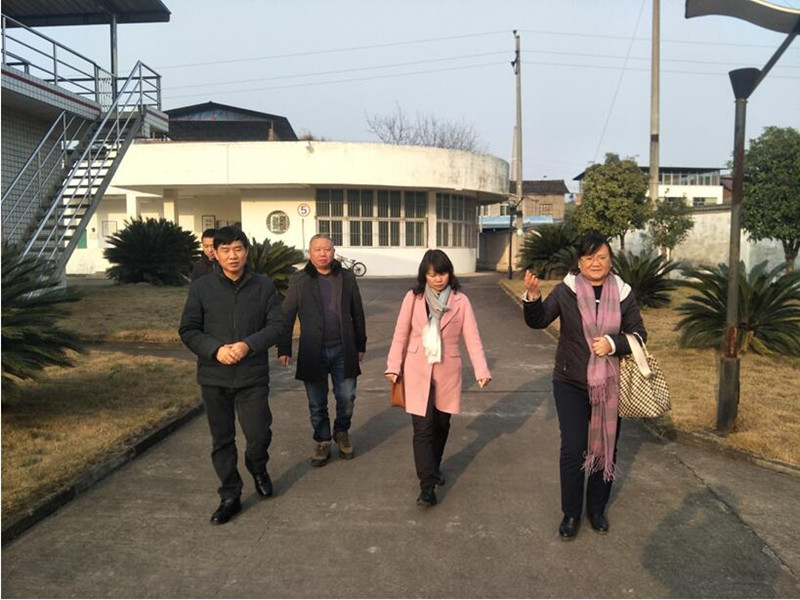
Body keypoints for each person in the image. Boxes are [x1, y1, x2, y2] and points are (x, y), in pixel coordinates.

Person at [522, 231, 647, 540]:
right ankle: (571, 513)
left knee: (606, 445)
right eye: (589, 258)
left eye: (601, 257)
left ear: (610, 260)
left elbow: (639, 334)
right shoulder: (566, 291)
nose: (595, 263)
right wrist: (533, 299)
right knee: (573, 447)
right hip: (570, 382)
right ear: (579, 262)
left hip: (609, 384)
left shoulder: (622, 292)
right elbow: (539, 321)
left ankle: (597, 509)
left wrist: (613, 343)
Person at [179, 226, 285, 525]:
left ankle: (257, 466)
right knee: (222, 440)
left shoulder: (263, 286)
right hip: (215, 377)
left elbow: (277, 325)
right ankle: (230, 494)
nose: (232, 255)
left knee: (259, 434)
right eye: (225, 250)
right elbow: (188, 329)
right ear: (215, 253)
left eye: (238, 249)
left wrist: (247, 345)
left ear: (246, 251)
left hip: (252, 376)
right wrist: (215, 350)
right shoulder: (202, 288)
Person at [385, 249, 491, 507]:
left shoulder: (460, 301)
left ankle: (434, 466)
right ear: (424, 275)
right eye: (432, 275)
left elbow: (472, 338)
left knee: (441, 425)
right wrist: (393, 366)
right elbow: (400, 334)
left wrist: (481, 370)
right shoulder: (413, 298)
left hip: (447, 370)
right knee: (423, 429)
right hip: (416, 369)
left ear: (449, 273)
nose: (438, 279)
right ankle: (427, 486)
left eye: (442, 273)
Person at [278, 234, 367, 467]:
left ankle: (341, 431)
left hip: (343, 348)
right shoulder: (299, 280)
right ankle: (322, 440)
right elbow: (287, 315)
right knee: (317, 403)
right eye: (317, 249)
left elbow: (357, 312)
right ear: (310, 253)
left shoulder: (346, 277)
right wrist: (284, 348)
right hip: (313, 351)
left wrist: (361, 344)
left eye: (327, 249)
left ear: (333, 251)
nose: (322, 254)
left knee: (347, 398)